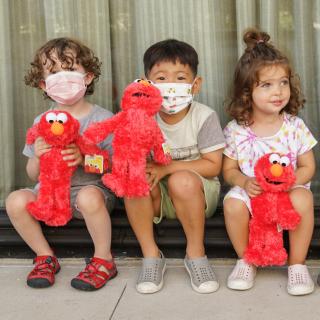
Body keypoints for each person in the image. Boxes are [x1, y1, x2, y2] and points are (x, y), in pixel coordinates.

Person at [5, 38, 117, 291]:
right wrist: (38, 156)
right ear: (44, 84)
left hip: (90, 191)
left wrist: (84, 159)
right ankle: (45, 256)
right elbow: (33, 175)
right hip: (49, 195)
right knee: (15, 201)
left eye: (70, 70)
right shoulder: (42, 121)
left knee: (89, 196)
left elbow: (110, 166)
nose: (63, 78)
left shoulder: (102, 119)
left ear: (87, 77)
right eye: (54, 72)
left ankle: (103, 259)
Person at [124, 39, 226, 294]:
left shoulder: (204, 116)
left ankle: (195, 254)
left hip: (197, 193)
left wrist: (167, 169)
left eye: (180, 77)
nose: (171, 86)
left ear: (196, 84)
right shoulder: (143, 118)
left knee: (182, 179)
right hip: (159, 195)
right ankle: (151, 256)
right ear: (146, 84)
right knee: (133, 180)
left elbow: (213, 167)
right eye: (161, 77)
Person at [223, 29, 317, 296]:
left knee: (304, 199)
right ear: (246, 91)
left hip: (287, 190)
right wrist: (243, 181)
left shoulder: (294, 126)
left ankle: (297, 265)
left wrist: (287, 185)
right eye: (266, 85)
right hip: (252, 189)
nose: (278, 92)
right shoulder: (236, 129)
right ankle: (247, 259)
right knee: (232, 203)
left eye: (283, 82)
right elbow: (228, 169)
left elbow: (308, 167)